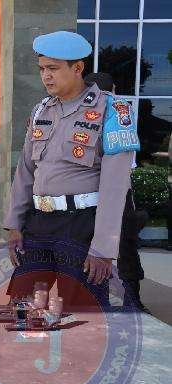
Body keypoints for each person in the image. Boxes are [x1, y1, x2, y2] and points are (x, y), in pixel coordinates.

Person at [4, 31, 140, 384]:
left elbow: (115, 183)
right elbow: (25, 171)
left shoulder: (113, 110)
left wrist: (104, 248)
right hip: (40, 222)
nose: (45, 76)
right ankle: (28, 383)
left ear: (78, 68)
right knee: (26, 306)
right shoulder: (41, 110)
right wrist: (15, 224)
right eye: (41, 69)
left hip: (83, 224)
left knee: (79, 311)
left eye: (53, 69)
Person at [83, 71, 147, 312]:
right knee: (126, 246)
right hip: (118, 192)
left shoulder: (83, 111)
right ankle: (132, 300)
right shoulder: (120, 110)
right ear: (114, 88)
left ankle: (99, 300)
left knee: (93, 247)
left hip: (89, 194)